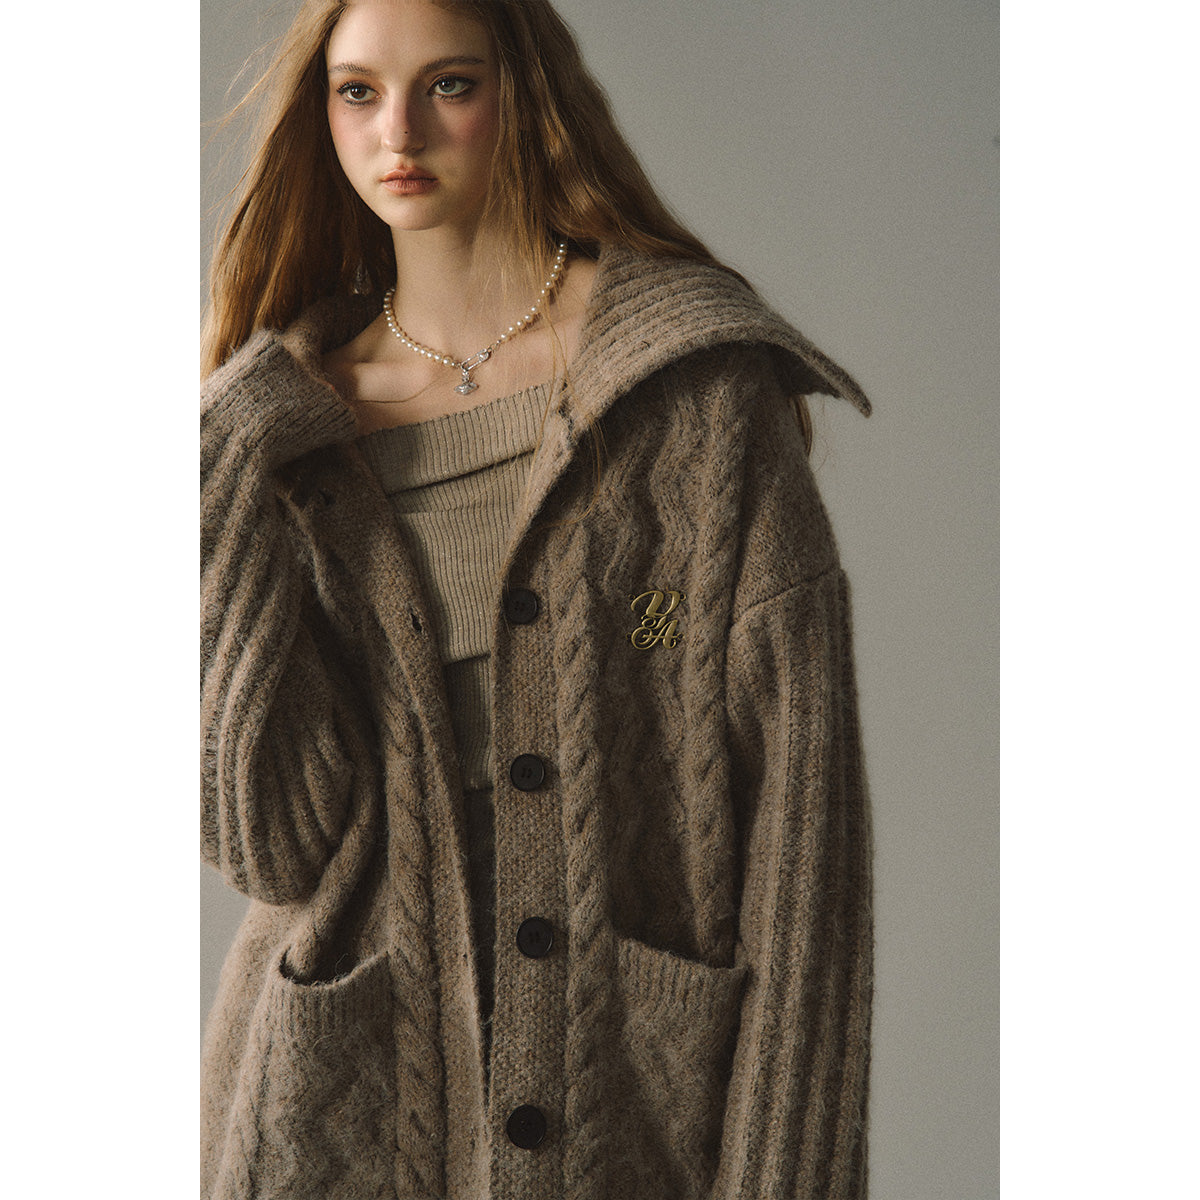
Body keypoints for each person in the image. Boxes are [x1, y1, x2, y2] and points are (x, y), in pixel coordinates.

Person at [200, 1, 874, 1197]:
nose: (398, 130)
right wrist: (217, 482)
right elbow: (276, 846)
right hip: (334, 1113)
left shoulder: (691, 403)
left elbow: (803, 845)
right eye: (358, 92)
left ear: (525, 93)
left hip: (626, 1112)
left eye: (448, 85)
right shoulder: (288, 438)